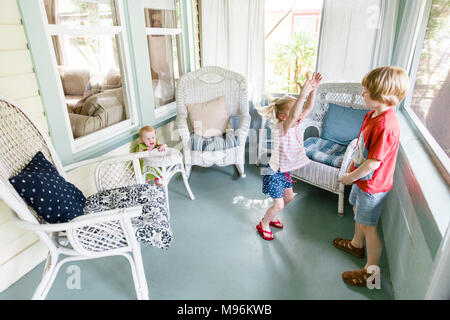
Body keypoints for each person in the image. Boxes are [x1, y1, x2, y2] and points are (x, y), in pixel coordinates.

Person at [334, 66, 410, 287]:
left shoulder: (387, 125)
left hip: (372, 186)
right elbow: (362, 148)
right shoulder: (372, 114)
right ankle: (356, 245)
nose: (362, 94)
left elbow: (373, 163)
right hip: (361, 180)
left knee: (370, 228)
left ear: (382, 95)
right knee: (358, 214)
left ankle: (371, 274)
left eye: (366, 91)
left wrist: (349, 178)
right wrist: (352, 172)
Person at [256, 72, 322, 240]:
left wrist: (313, 89)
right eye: (295, 112)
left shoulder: (294, 122)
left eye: (298, 113)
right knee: (279, 204)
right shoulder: (282, 127)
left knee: (289, 197)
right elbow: (295, 114)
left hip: (284, 171)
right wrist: (302, 94)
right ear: (283, 117)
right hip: (273, 173)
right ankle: (263, 223)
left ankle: (272, 215)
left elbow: (307, 108)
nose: (300, 115)